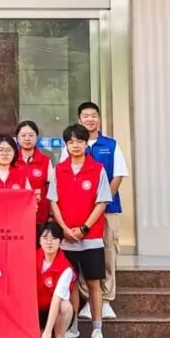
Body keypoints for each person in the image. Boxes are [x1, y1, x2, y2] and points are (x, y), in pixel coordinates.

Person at [59, 102, 128, 320]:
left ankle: (105, 300)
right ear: (79, 120)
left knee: (107, 253)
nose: (90, 119)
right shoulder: (71, 145)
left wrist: (102, 201)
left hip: (107, 210)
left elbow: (118, 176)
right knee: (82, 253)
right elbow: (62, 177)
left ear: (99, 118)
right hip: (78, 212)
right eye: (85, 116)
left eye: (94, 115)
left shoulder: (111, 145)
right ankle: (88, 300)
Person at [49, 124, 112, 338]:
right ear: (66, 145)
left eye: (79, 141)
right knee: (71, 285)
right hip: (67, 240)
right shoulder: (59, 170)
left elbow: (102, 202)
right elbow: (53, 202)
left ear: (86, 144)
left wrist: (84, 228)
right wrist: (65, 229)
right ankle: (73, 329)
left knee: (94, 284)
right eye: (71, 142)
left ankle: (97, 331)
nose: (75, 145)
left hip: (91, 238)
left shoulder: (97, 169)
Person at [37, 223, 77, 338]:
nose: (49, 242)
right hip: (34, 311)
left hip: (52, 311)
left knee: (65, 306)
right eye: (45, 238)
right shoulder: (31, 258)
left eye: (54, 238)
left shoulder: (66, 268)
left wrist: (48, 331)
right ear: (39, 240)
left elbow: (56, 298)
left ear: (60, 241)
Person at [17, 120, 55, 246]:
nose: (27, 139)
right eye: (23, 135)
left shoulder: (45, 161)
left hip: (40, 218)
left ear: (37, 137)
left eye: (31, 135)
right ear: (17, 138)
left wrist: (51, 215)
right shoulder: (11, 161)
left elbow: (51, 189)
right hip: (16, 218)